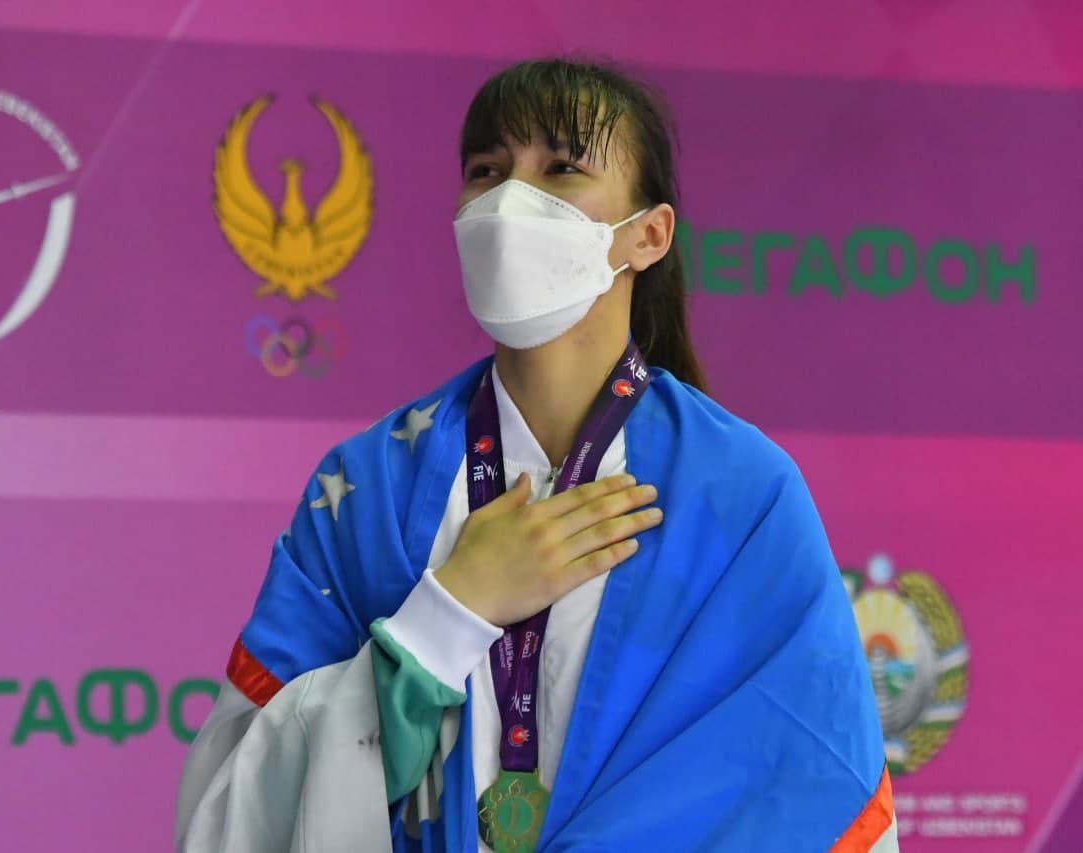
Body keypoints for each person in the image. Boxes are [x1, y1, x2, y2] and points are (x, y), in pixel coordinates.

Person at [175, 59, 897, 853]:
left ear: (649, 235)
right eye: (486, 171)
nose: (510, 200)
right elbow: (232, 811)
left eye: (561, 168)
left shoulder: (743, 496)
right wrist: (445, 617)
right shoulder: (369, 487)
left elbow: (813, 796)